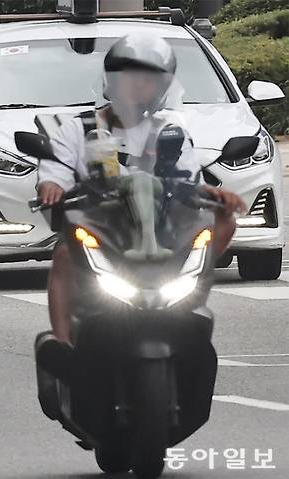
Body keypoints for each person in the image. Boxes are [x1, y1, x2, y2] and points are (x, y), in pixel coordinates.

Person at [34, 34, 246, 377]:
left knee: (219, 225)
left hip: (158, 230)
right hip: (102, 229)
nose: (138, 86)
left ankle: (187, 305)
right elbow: (54, 173)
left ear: (163, 87)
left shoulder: (170, 133)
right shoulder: (78, 129)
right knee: (62, 254)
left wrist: (216, 196)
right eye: (130, 77)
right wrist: (52, 187)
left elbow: (189, 181)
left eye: (149, 79)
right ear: (111, 80)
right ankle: (63, 348)